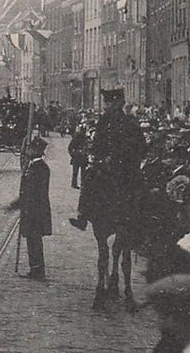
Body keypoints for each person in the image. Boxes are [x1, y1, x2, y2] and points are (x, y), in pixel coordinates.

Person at [69, 88, 145, 231]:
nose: (107, 106)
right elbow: (142, 147)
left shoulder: (107, 120)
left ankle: (83, 216)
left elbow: (98, 144)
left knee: (89, 178)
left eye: (109, 103)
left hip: (113, 166)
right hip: (127, 168)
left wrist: (104, 156)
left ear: (117, 103)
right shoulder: (130, 121)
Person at [14, 137, 51, 279]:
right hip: (31, 210)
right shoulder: (33, 166)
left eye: (30, 148)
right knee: (32, 240)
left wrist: (25, 206)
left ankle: (37, 270)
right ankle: (35, 268)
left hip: (35, 211)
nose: (27, 151)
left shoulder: (40, 168)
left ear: (36, 150)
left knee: (34, 240)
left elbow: (36, 193)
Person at [68, 124, 88, 189]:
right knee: (75, 172)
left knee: (83, 172)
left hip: (82, 157)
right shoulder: (76, 138)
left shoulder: (85, 138)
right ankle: (74, 184)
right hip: (77, 157)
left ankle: (83, 184)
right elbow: (70, 148)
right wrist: (73, 154)